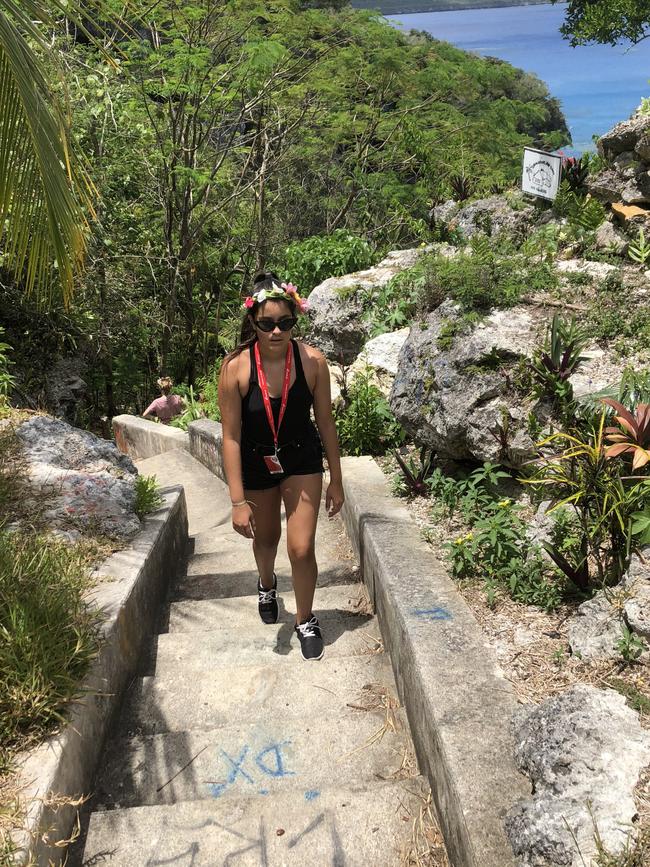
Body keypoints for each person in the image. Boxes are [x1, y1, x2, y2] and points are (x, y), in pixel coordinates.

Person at [218, 272, 344, 661]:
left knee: (301, 547)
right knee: (267, 538)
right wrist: (237, 500)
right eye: (267, 324)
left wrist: (336, 481)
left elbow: (325, 423)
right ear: (253, 322)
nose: (276, 332)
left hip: (300, 456)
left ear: (295, 321)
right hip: (256, 459)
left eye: (285, 323)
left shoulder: (312, 362)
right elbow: (231, 437)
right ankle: (267, 583)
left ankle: (305, 619)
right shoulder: (235, 368)